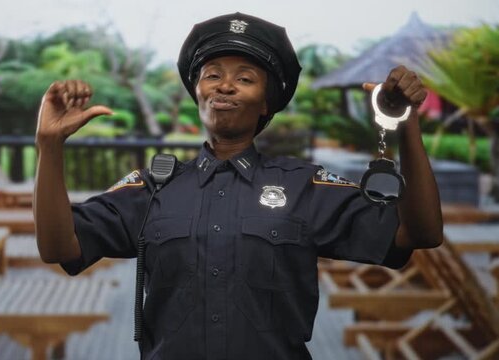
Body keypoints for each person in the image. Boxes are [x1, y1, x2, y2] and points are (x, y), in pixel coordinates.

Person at [34, 12, 443, 360]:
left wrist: (405, 126)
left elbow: (419, 233)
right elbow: (59, 247)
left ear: (267, 103)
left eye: (245, 78)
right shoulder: (152, 187)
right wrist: (49, 147)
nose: (225, 86)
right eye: (212, 75)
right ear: (198, 92)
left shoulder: (305, 186)